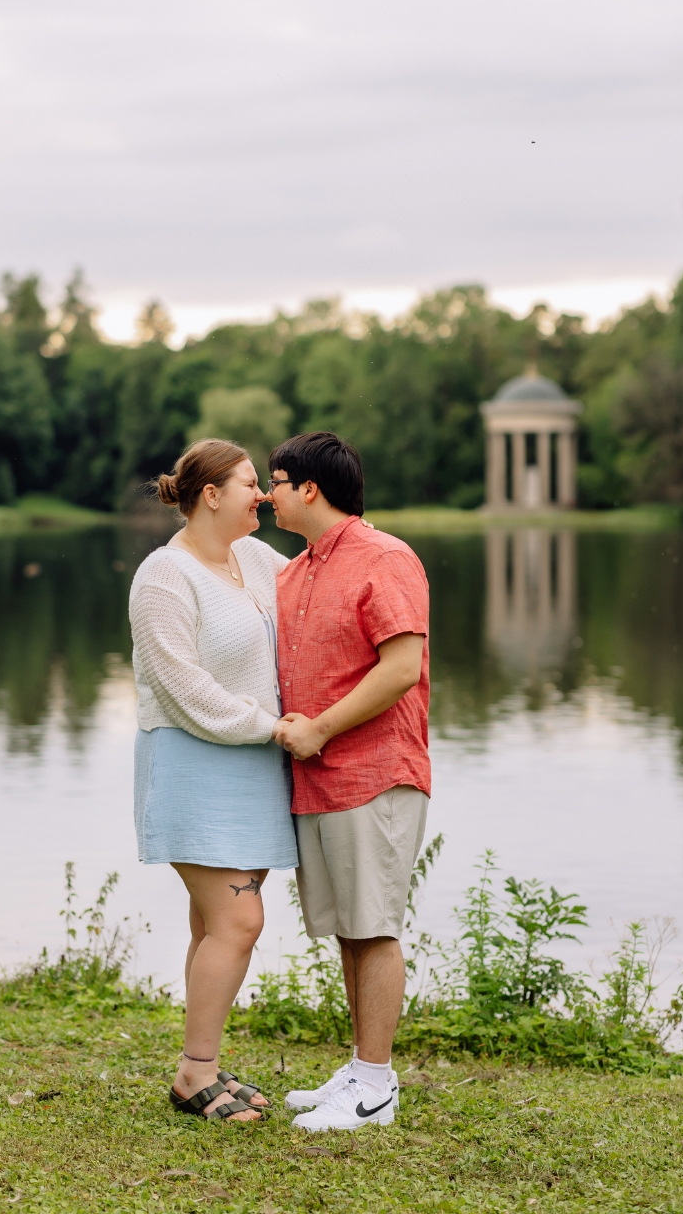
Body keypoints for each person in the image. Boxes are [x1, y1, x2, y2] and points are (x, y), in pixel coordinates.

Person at [129, 438, 296, 1123]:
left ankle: (203, 1060)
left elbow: (325, 581)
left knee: (214, 921)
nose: (261, 494)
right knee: (239, 916)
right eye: (250, 482)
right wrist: (275, 727)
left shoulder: (254, 558)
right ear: (211, 494)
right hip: (194, 760)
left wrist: (359, 537)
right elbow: (182, 686)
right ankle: (193, 1075)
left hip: (254, 762)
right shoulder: (163, 576)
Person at [269, 431, 430, 1132]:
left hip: (373, 771)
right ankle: (362, 1067)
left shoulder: (384, 557)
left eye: (275, 481)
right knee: (347, 931)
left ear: (309, 488)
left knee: (374, 927)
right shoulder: (293, 571)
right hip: (316, 781)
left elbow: (400, 669)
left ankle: (375, 1087)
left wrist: (321, 730)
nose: (267, 494)